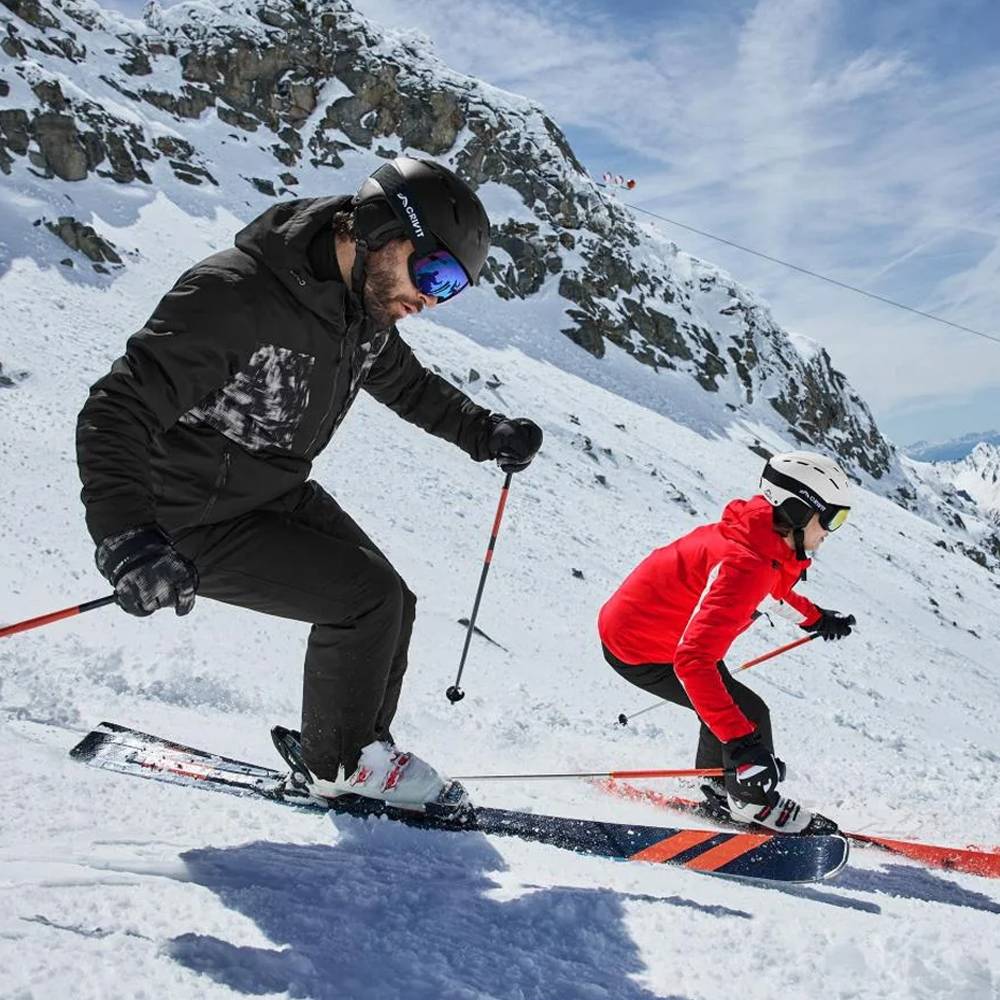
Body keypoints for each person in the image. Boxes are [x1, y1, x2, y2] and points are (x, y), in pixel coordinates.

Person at [76, 156, 543, 810]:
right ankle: (345, 765)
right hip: (186, 515)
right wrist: (126, 537)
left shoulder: (361, 308)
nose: (434, 297)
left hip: (267, 488)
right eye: (434, 271)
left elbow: (406, 385)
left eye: (453, 287)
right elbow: (116, 408)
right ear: (380, 228)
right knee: (365, 599)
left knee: (392, 602)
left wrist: (483, 431)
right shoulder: (236, 296)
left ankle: (351, 748)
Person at [598, 452, 856, 834]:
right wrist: (742, 746)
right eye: (832, 518)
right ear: (798, 511)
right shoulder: (746, 562)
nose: (831, 532)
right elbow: (694, 662)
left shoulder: (761, 543)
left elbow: (772, 590)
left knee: (731, 708)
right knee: (746, 715)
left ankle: (719, 786)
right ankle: (752, 803)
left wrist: (816, 618)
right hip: (640, 647)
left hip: (663, 635)